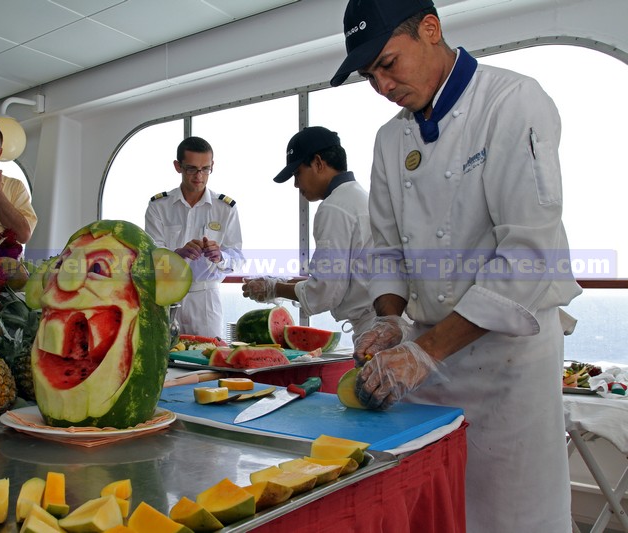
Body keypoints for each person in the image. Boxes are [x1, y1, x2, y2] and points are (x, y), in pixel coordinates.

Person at [330, 0, 582, 531]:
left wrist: (422, 352)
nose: (382, 86)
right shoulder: (388, 139)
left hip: (508, 367)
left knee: (511, 516)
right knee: (437, 510)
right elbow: (386, 250)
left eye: (389, 64)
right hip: (428, 361)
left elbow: (526, 255)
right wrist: (390, 321)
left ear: (430, 29)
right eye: (370, 75)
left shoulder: (512, 102)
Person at [242, 126, 375, 343]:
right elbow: (338, 274)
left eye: (297, 174)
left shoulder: (334, 207)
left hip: (372, 327)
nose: (296, 185)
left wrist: (273, 288)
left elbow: (325, 292)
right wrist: (280, 282)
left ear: (318, 163)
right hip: (385, 322)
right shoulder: (359, 197)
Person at [144, 136, 243, 338]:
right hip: (166, 296)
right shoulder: (158, 206)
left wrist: (220, 256)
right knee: (166, 359)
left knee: (208, 359)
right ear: (178, 166)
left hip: (206, 300)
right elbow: (150, 258)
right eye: (191, 169)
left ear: (212, 166)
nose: (199, 176)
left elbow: (239, 260)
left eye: (205, 169)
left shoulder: (225, 208)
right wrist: (178, 254)